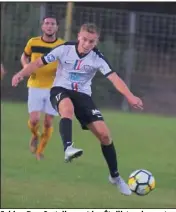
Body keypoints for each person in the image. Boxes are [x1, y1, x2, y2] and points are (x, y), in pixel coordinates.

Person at [12, 23, 143, 195]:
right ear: (79, 37)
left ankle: (115, 177)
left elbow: (115, 78)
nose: (87, 44)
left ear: (96, 42)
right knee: (67, 109)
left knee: (104, 136)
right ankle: (68, 148)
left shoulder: (97, 58)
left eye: (91, 41)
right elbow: (38, 63)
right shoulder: (64, 49)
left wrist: (129, 96)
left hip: (83, 96)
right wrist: (21, 74)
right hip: (60, 89)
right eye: (84, 40)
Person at [20, 15, 65, 160]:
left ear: (57, 27)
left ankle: (40, 152)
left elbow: (66, 64)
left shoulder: (62, 45)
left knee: (48, 122)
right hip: (35, 85)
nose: (50, 26)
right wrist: (26, 67)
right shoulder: (33, 42)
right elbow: (24, 56)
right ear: (42, 26)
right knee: (34, 120)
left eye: (53, 24)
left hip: (54, 87)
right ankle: (34, 135)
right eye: (47, 23)